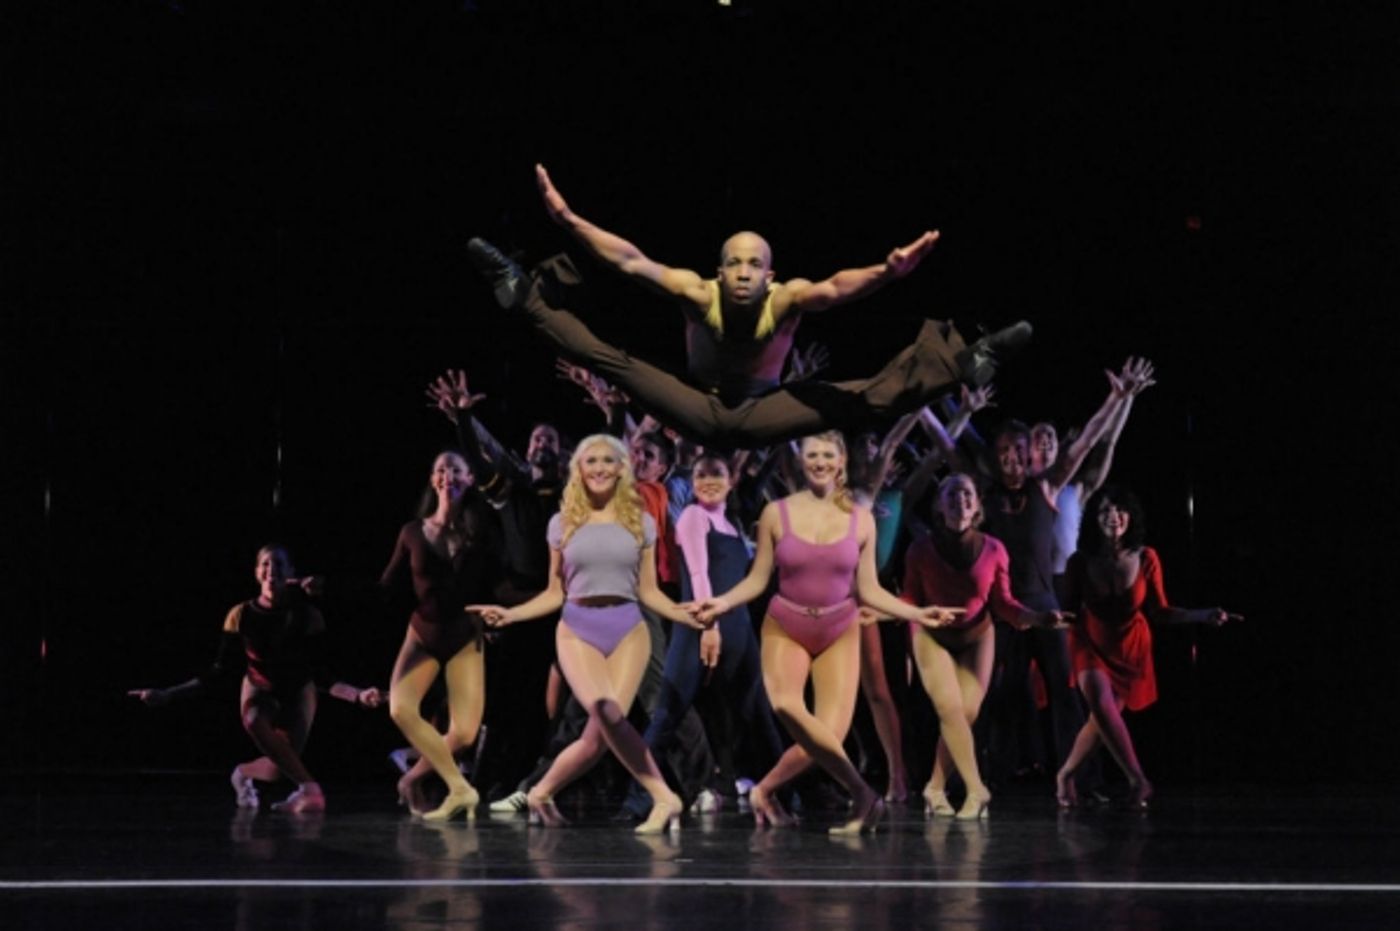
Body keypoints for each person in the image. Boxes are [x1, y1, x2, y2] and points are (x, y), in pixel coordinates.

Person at [463, 165, 1031, 449]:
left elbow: (837, 288)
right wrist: (567, 221)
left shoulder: (786, 300)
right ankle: (521, 292)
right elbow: (630, 261)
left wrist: (887, 272)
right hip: (696, 405)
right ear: (718, 270)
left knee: (860, 400)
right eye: (733, 263)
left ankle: (968, 360)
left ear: (769, 274)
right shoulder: (696, 292)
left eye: (753, 265)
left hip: (765, 411)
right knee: (614, 362)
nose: (741, 273)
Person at [696, 431, 961, 834]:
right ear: (801, 462)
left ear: (841, 463)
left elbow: (869, 589)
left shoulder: (861, 520)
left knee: (830, 734)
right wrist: (722, 602)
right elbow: (757, 579)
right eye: (812, 455)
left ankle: (764, 790)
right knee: (786, 706)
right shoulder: (777, 513)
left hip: (840, 625)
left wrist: (919, 613)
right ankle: (862, 793)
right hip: (787, 622)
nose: (819, 461)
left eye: (827, 455)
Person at [470, 434, 708, 834]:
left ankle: (541, 792)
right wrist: (510, 615)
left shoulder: (641, 522)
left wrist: (686, 615)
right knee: (606, 710)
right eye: (590, 460)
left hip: (630, 629)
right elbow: (553, 593)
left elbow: (649, 592)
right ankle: (666, 797)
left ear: (621, 469)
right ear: (579, 470)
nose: (599, 467)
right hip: (578, 629)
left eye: (608, 461)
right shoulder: (561, 523)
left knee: (599, 736)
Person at [129, 544, 382, 813]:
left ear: (292, 573)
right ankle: (310, 790)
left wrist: (357, 694)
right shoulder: (240, 615)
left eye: (279, 565)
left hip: (298, 690)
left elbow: (322, 674)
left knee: (280, 765)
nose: (272, 570)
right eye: (265, 564)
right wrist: (169, 694)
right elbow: (219, 672)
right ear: (256, 572)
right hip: (259, 687)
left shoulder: (308, 616)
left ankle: (241, 774)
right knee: (253, 720)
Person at [1054, 485, 1241, 808]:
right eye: (1105, 511)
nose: (1113, 517)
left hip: (1130, 645)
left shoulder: (1146, 557)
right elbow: (1067, 612)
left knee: (1102, 719)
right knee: (1100, 703)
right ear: (1094, 520)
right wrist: (1036, 619)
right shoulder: (1079, 561)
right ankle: (1138, 780)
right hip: (1089, 641)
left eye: (1119, 510)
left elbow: (1161, 612)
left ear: (1131, 517)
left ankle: (1066, 775)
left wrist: (1203, 614)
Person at [901, 474, 1070, 820]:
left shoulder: (994, 549)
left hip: (977, 634)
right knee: (949, 706)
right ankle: (977, 787)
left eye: (966, 493)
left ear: (977, 504)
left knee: (965, 713)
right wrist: (894, 613)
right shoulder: (920, 549)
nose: (959, 499)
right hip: (931, 633)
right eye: (951, 493)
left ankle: (934, 787)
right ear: (939, 504)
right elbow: (909, 599)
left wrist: (1037, 618)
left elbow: (1004, 604)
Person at [380, 451, 504, 822]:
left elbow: (497, 584)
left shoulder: (482, 531)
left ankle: (413, 779)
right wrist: (329, 589)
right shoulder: (412, 532)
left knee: (464, 734)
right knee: (400, 708)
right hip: (423, 634)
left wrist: (501, 616)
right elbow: (385, 587)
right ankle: (460, 788)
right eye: (439, 469)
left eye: (455, 469)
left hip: (465, 636)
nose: (446, 475)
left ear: (469, 480)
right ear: (433, 480)